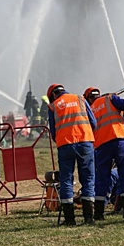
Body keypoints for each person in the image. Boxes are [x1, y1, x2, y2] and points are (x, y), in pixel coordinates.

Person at [87, 87, 124, 219]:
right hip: (119, 140)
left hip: (101, 145)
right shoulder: (109, 99)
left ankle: (99, 213)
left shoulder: (89, 109)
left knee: (101, 178)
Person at [47, 83, 97, 225]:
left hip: (65, 145)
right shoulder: (81, 99)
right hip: (85, 142)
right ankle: (89, 218)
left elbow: (53, 131)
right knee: (88, 179)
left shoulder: (53, 106)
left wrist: (62, 139)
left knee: (66, 180)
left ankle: (70, 219)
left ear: (53, 95)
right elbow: (93, 122)